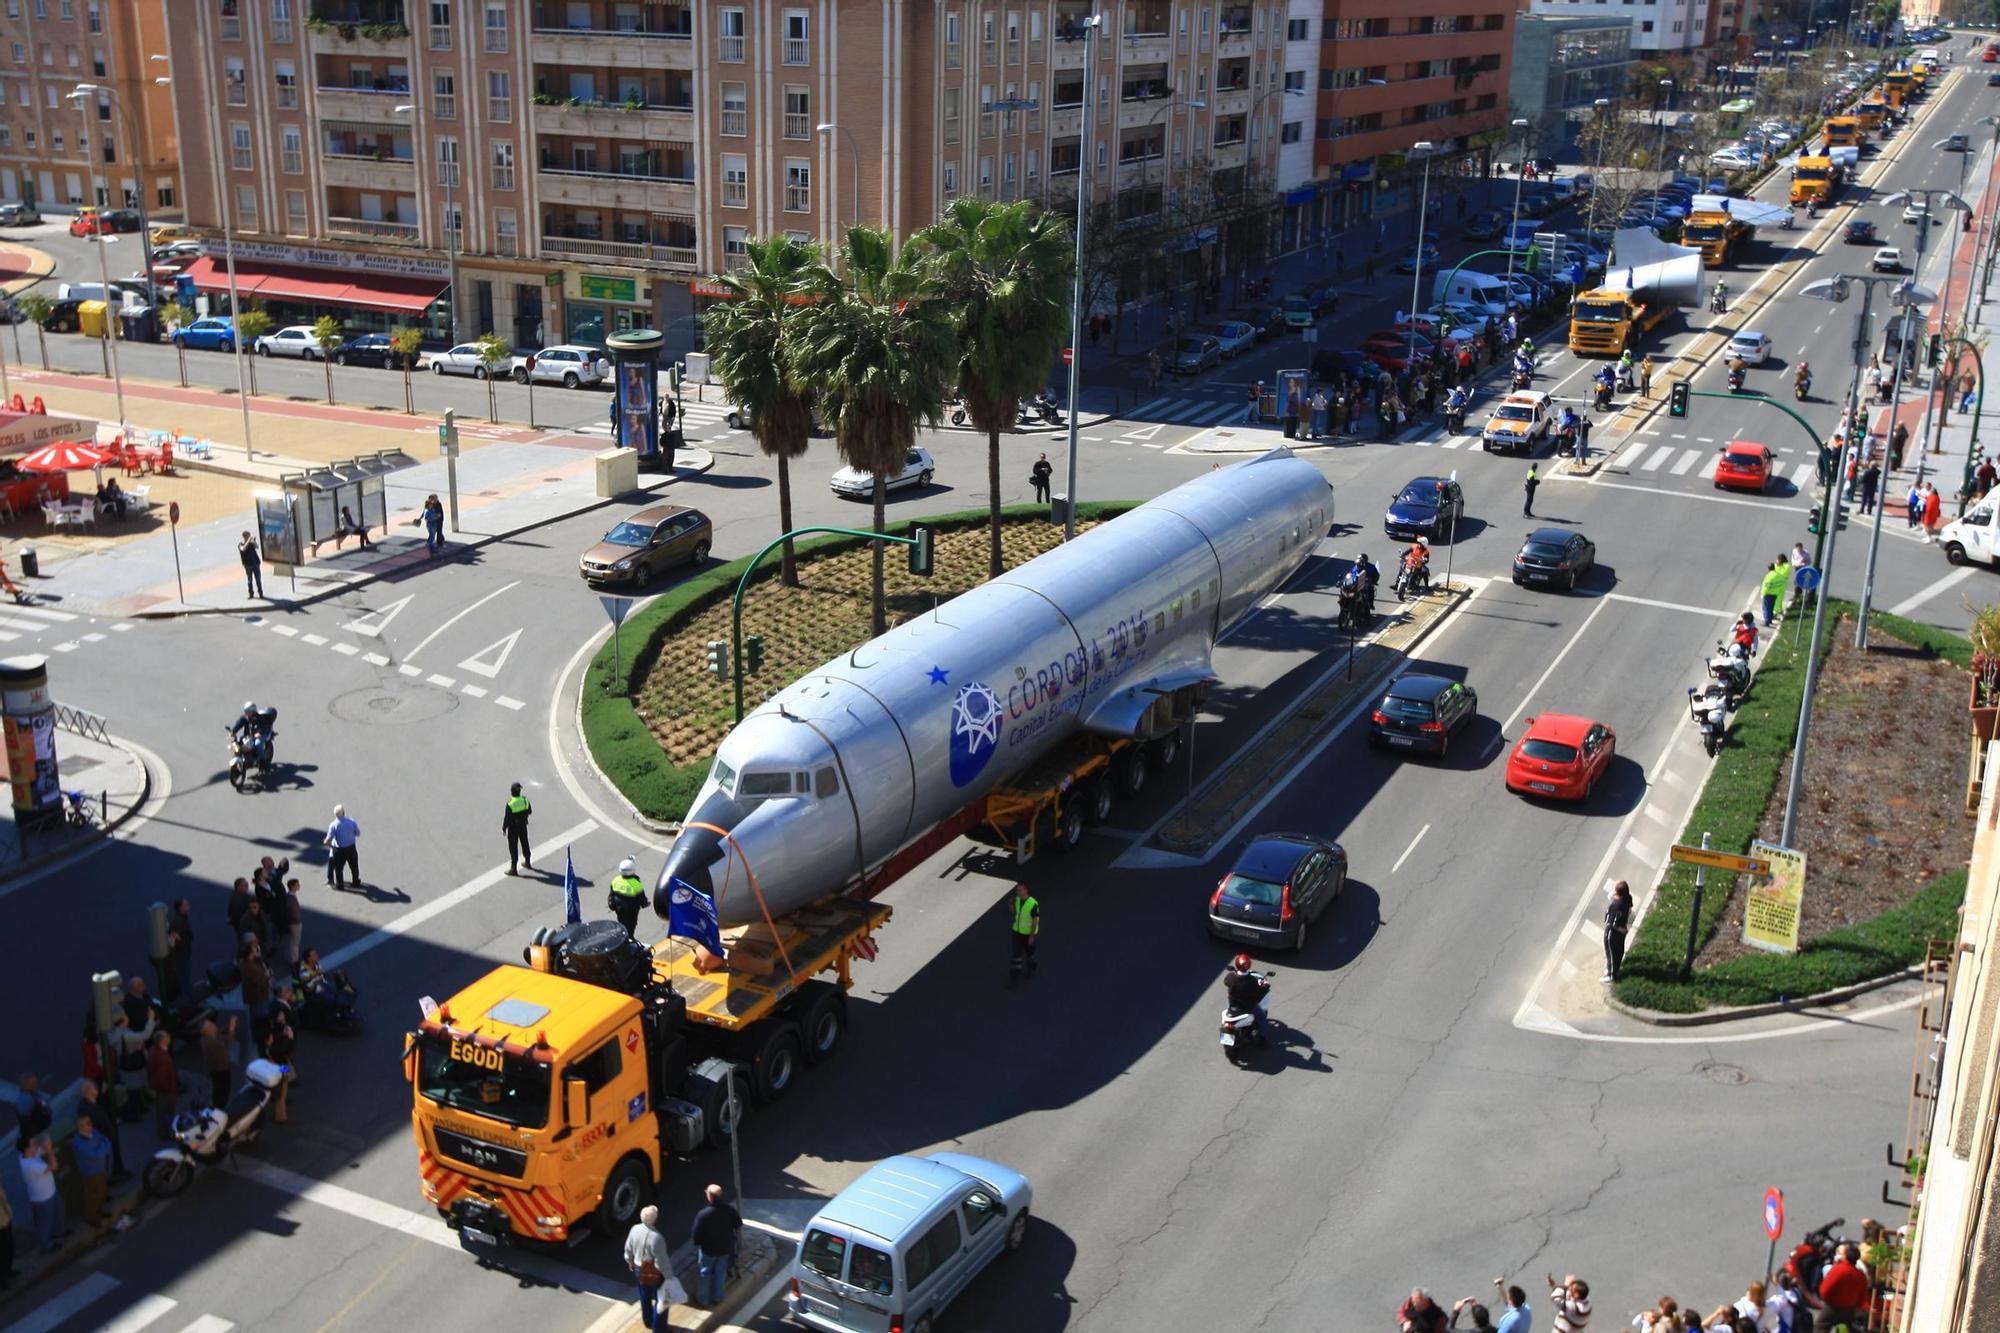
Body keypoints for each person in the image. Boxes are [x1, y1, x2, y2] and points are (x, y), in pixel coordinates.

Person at [691, 1182, 743, 1308]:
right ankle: (718, 1296)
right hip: (725, 1249)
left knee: (705, 1273)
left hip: (708, 1250)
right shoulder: (730, 1210)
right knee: (720, 1272)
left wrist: (698, 1244)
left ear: (709, 1196)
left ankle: (703, 1299)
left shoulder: (703, 1214)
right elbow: (738, 1224)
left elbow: (696, 1234)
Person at [624, 1203, 674, 1331]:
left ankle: (648, 1320)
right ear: (655, 1220)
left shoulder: (634, 1230)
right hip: (654, 1271)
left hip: (639, 1268)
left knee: (645, 1296)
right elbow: (662, 1260)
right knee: (662, 1300)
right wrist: (668, 1276)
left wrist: (630, 1261)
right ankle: (659, 1329)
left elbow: (628, 1248)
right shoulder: (657, 1237)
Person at [19, 1135, 60, 1253]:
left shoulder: (25, 1156)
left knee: (56, 1213)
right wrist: (49, 1150)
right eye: (33, 1145)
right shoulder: (31, 1166)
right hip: (43, 1198)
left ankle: (56, 1233)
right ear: (27, 1149)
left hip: (49, 1192)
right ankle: (46, 1245)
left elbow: (40, 1150)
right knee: (45, 1223)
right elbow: (54, 1165)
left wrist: (46, 1145)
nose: (36, 1146)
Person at [71, 1112, 112, 1229]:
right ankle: (91, 1217)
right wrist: (103, 1147)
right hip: (90, 1173)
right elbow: (94, 1154)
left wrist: (101, 1147)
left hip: (101, 1169)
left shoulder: (94, 1132)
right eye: (88, 1123)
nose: (91, 1124)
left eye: (90, 1122)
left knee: (102, 1191)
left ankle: (100, 1210)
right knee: (92, 1195)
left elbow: (106, 1141)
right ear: (80, 1127)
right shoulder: (77, 1142)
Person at [1817, 1244, 1870, 1327]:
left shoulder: (1838, 1269)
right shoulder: (1860, 1275)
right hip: (1850, 1310)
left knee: (1820, 1326)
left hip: (1832, 1307)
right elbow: (1863, 1296)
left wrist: (1828, 1301)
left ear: (1845, 1256)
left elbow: (1824, 1290)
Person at [1224, 953, 1270, 1040]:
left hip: (1233, 1005)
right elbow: (1259, 991)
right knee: (1262, 1018)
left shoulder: (1230, 977)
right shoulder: (1251, 981)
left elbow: (1226, 982)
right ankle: (1263, 1039)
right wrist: (1265, 985)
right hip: (1248, 1007)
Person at [608, 857, 648, 937]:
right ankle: (629, 939)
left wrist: (612, 905)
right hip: (632, 910)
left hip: (619, 909)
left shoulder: (615, 880)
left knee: (621, 923)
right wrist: (645, 904)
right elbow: (641, 897)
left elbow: (611, 895)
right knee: (631, 925)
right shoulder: (636, 883)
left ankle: (621, 937)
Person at [324, 803, 361, 889]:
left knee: (339, 868)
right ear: (344, 812)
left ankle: (340, 885)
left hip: (340, 850)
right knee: (354, 865)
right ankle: (356, 881)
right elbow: (358, 833)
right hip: (351, 847)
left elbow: (328, 839)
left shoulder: (333, 825)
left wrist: (326, 842)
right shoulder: (351, 821)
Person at [1008, 882, 1039, 982]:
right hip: (1017, 932)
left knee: (1029, 954)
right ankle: (1014, 978)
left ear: (1026, 890)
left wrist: (1031, 936)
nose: (1018, 892)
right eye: (1017, 890)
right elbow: (1016, 915)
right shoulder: (1017, 900)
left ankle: (1031, 968)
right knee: (1016, 955)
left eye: (1020, 890)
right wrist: (1011, 906)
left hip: (1027, 934)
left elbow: (1035, 921)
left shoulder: (1033, 904)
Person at [201, 1018, 233, 1109]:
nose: (215, 1026)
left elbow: (220, 1033)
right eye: (211, 1026)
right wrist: (231, 1028)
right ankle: (219, 1107)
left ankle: (219, 1105)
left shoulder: (209, 1038)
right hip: (220, 1070)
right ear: (208, 1031)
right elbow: (227, 1043)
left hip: (217, 1069)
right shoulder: (211, 1042)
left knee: (219, 1089)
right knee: (222, 1090)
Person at [1603, 881, 1632, 982]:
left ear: (1617, 893)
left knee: (1611, 954)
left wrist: (1622, 929)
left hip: (1613, 933)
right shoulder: (1628, 898)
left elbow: (1609, 922)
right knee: (1619, 952)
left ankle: (1611, 975)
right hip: (1621, 931)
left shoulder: (1615, 906)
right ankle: (1614, 971)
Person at [503, 782, 533, 874]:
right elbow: (530, 811)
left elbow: (507, 818)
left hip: (513, 829)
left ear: (511, 792)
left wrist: (504, 828)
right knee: (525, 842)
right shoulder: (525, 800)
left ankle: (513, 868)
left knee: (513, 846)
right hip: (523, 826)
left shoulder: (510, 803)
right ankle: (527, 862)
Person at [1760, 557, 1790, 627]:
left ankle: (1767, 622)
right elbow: (1780, 584)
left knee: (1766, 608)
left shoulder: (1769, 576)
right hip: (1775, 594)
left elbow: (1766, 586)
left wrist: (1763, 594)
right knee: (1771, 608)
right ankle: (1770, 619)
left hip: (1768, 594)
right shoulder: (1778, 575)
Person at [238, 531, 265, 598]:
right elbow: (243, 549)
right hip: (248, 565)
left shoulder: (251, 543)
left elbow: (257, 547)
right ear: (245, 537)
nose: (250, 537)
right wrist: (248, 541)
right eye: (248, 536)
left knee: (258, 579)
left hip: (256, 563)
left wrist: (254, 542)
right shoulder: (241, 544)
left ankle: (260, 592)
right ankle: (251, 593)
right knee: (249, 580)